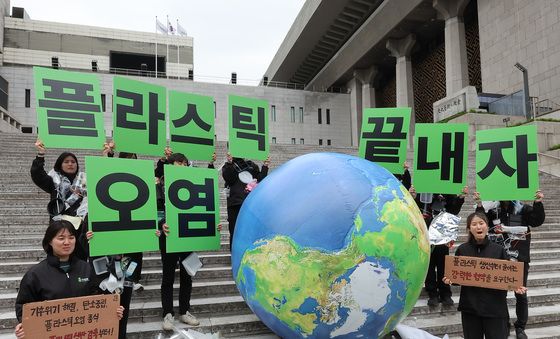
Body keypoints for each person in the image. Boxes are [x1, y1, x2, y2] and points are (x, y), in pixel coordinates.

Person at [14, 220, 124, 339]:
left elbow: (100, 299)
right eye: (61, 238)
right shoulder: (35, 274)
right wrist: (24, 326)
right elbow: (23, 307)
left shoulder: (86, 268)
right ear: (50, 241)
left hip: (83, 334)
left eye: (71, 237)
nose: (67, 242)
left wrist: (113, 310)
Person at [156, 151, 217, 331]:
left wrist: (213, 224)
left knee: (187, 275)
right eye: (178, 162)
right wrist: (161, 224)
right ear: (169, 165)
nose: (182, 165)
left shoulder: (192, 184)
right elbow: (155, 210)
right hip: (168, 237)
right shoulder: (159, 186)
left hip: (188, 235)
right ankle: (167, 313)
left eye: (184, 163)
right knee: (167, 277)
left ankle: (184, 311)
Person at [443, 212, 527, 339]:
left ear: (487, 226)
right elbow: (458, 277)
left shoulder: (499, 250)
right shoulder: (462, 250)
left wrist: (515, 286)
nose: (478, 227)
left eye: (481, 223)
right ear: (469, 229)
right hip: (470, 309)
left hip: (495, 309)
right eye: (474, 224)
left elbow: (508, 276)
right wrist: (450, 279)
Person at [474, 190, 545, 339]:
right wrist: (480, 204)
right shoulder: (493, 210)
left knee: (520, 293)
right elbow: (480, 221)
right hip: (499, 258)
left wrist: (538, 203)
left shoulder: (522, 209)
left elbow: (537, 220)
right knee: (499, 293)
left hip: (519, 258)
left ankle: (520, 327)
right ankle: (503, 324)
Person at [410, 185, 468, 307]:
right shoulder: (423, 192)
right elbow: (413, 209)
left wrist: (460, 197)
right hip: (426, 235)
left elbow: (453, 211)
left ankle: (446, 293)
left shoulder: (447, 191)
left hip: (442, 236)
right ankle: (432, 294)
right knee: (429, 266)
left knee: (443, 265)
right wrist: (413, 197)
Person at [30, 139, 89, 259]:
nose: (70, 164)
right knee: (59, 257)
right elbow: (38, 175)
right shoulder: (54, 181)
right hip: (59, 224)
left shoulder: (84, 180)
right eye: (66, 161)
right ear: (60, 164)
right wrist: (40, 154)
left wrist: (107, 155)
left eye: (73, 162)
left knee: (80, 257)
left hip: (80, 225)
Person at [222, 153, 270, 250]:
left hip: (250, 204)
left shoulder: (251, 165)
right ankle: (234, 255)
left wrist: (265, 166)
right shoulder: (228, 166)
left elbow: (261, 180)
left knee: (250, 230)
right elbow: (229, 179)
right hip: (235, 204)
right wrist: (230, 163)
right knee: (235, 230)